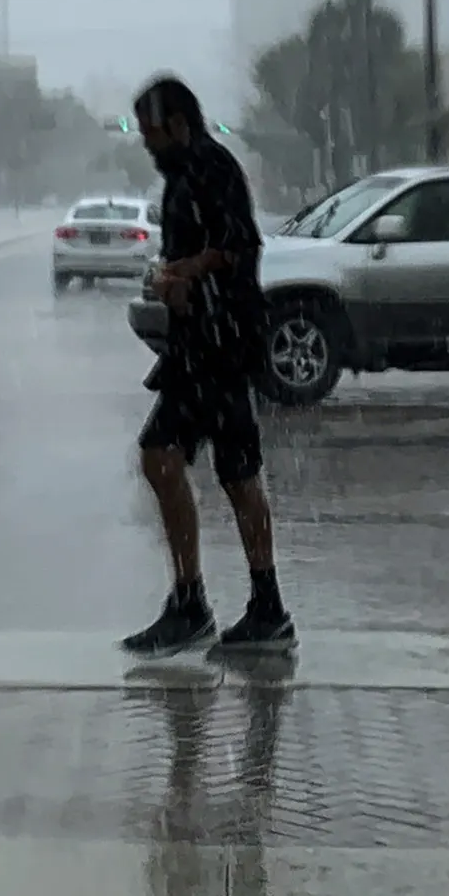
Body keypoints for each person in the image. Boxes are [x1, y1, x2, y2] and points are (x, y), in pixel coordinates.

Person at [121, 75, 294, 656]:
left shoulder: (211, 168)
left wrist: (186, 273)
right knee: (228, 468)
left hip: (219, 343)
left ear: (179, 124)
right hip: (205, 340)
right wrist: (174, 281)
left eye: (152, 132)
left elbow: (240, 244)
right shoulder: (180, 178)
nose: (147, 143)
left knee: (167, 456)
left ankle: (201, 603)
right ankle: (253, 604)